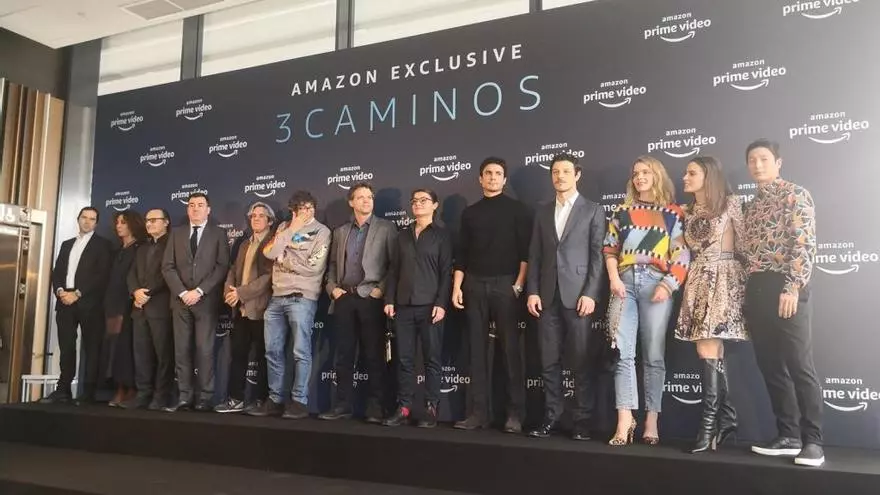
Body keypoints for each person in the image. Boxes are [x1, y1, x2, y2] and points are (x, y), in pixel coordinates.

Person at [741, 139, 824, 467]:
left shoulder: (795, 194)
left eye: (764, 159)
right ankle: (788, 435)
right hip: (757, 288)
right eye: (752, 160)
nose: (757, 165)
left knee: (799, 365)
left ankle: (813, 441)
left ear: (778, 163)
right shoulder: (751, 205)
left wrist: (792, 288)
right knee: (770, 365)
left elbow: (803, 245)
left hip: (786, 286)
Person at [604, 155, 689, 446]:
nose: (639, 177)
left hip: (657, 283)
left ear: (657, 176)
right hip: (624, 283)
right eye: (636, 173)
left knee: (653, 355)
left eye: (645, 172)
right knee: (622, 353)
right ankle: (625, 419)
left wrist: (669, 284)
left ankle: (651, 420)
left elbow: (682, 255)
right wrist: (614, 279)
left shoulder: (673, 212)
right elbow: (609, 249)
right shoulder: (622, 211)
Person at [525, 153, 606, 440]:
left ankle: (582, 421)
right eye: (555, 172)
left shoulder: (593, 210)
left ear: (577, 175)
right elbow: (534, 255)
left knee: (581, 361)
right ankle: (551, 417)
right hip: (547, 297)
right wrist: (532, 291)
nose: (560, 176)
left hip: (579, 297)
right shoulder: (542, 211)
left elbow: (598, 257)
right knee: (548, 361)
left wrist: (591, 293)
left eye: (566, 171)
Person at [452, 157, 532, 433]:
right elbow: (462, 253)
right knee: (476, 352)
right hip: (474, 284)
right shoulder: (470, 213)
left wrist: (518, 285)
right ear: (480, 178)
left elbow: (526, 253)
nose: (493, 177)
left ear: (504, 179)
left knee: (510, 352)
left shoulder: (518, 210)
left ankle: (514, 415)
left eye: (498, 173)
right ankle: (478, 413)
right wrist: (457, 287)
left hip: (506, 284)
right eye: (488, 173)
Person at [674, 156, 748, 453]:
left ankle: (708, 425)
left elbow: (746, 245)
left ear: (709, 176)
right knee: (708, 350)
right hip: (696, 281)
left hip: (724, 279)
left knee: (708, 348)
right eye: (686, 172)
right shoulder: (687, 211)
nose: (685, 177)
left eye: (692, 173)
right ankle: (727, 418)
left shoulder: (731, 203)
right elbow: (679, 248)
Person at [320, 183, 398, 423]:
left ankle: (376, 407)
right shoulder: (341, 231)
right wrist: (332, 289)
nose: (366, 200)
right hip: (344, 298)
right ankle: (342, 405)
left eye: (369, 197)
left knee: (374, 355)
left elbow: (394, 265)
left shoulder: (386, 228)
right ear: (351, 202)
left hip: (371, 299)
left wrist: (380, 290)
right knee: (343, 355)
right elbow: (332, 265)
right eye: (361, 197)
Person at [249, 191, 331, 419]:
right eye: (302, 209)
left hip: (302, 297)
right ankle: (275, 399)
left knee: (300, 351)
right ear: (294, 211)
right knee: (272, 351)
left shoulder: (322, 231)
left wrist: (285, 260)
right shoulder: (284, 227)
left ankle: (299, 401)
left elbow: (313, 267)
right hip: (277, 297)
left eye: (310, 208)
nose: (307, 212)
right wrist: (292, 230)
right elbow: (270, 253)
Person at [382, 189, 452, 428]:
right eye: (415, 201)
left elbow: (446, 272)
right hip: (403, 306)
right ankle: (403, 408)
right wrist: (389, 299)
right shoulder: (402, 235)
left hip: (431, 307)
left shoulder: (442, 236)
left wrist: (441, 303)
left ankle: (431, 408)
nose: (418, 204)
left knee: (432, 359)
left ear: (435, 205)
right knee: (404, 360)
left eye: (424, 200)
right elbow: (393, 270)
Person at [162, 193, 230, 412]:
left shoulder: (219, 233)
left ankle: (205, 397)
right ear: (187, 209)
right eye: (191, 205)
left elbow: (222, 266)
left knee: (204, 350)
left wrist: (200, 291)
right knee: (181, 350)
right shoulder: (176, 233)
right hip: (180, 301)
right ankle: (184, 396)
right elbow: (167, 267)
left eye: (200, 205)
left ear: (208, 209)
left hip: (206, 301)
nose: (195, 208)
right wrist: (183, 292)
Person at [44, 207, 113, 404]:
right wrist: (60, 291)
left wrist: (78, 293)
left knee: (92, 347)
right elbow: (57, 272)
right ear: (78, 219)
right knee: (66, 346)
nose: (87, 222)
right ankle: (63, 390)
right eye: (84, 217)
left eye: (92, 219)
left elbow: (102, 275)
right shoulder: (67, 244)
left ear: (96, 223)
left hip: (89, 302)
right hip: (64, 300)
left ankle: (89, 392)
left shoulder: (103, 245)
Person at [215, 202, 275, 414]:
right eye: (253, 216)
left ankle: (262, 400)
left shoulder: (273, 243)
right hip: (240, 310)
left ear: (270, 221)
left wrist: (241, 292)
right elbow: (233, 271)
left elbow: (268, 278)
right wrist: (229, 293)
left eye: (261, 216)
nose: (256, 219)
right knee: (238, 354)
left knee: (264, 356)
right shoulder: (244, 244)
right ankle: (236, 399)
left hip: (262, 309)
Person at [126, 208, 173, 410]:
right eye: (147, 220)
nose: (149, 223)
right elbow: (131, 274)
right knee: (141, 354)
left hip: (160, 307)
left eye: (154, 220)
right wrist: (135, 292)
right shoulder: (142, 247)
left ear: (166, 222)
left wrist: (147, 293)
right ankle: (143, 393)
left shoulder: (173, 244)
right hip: (139, 308)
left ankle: (161, 396)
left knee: (163, 355)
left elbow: (168, 273)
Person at [103, 210, 146, 407]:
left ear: (133, 224)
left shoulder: (139, 248)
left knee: (126, 347)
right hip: (112, 305)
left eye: (123, 222)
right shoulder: (118, 250)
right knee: (113, 347)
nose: (119, 226)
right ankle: (119, 386)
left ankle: (128, 388)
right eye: (117, 222)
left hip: (129, 305)